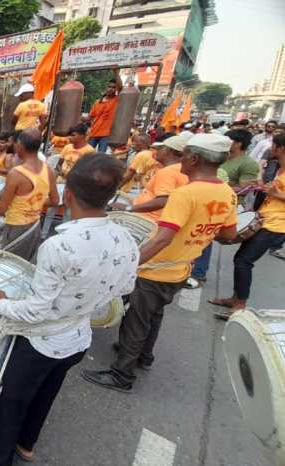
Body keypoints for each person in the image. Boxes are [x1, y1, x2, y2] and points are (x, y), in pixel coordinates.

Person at [0, 154, 138, 466]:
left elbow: (35, 312)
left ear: (69, 194)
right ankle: (26, 445)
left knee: (12, 402)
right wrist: (82, 300)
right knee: (46, 392)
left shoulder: (60, 246)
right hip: (78, 338)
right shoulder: (125, 236)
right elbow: (124, 289)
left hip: (42, 343)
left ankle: (0, 460)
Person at [83, 134, 237, 392]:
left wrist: (128, 265)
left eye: (185, 154)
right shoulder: (227, 192)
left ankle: (122, 375)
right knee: (154, 315)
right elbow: (229, 235)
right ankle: (144, 356)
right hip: (181, 269)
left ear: (195, 158)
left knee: (136, 319)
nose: (181, 160)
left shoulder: (185, 194)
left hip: (156, 270)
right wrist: (200, 232)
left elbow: (162, 239)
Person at [210, 133, 285, 317]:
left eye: (274, 145)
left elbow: (279, 194)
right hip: (264, 220)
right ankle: (236, 298)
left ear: (281, 148)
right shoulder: (280, 168)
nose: (270, 148)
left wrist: (277, 194)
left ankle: (240, 306)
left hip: (275, 225)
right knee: (241, 259)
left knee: (244, 261)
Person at [0, 129, 58, 260]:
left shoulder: (17, 173)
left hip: (16, 228)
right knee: (21, 264)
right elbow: (55, 201)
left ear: (20, 145)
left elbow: (2, 209)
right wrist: (32, 203)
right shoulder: (49, 170)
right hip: (35, 227)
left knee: (6, 262)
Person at [117, 134, 191, 221]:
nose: (156, 152)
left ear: (169, 151)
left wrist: (128, 208)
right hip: (149, 214)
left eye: (160, 149)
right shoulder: (181, 169)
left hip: (146, 219)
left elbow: (162, 201)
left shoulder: (168, 172)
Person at [88, 74, 123, 153]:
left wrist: (116, 71)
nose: (111, 89)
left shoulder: (116, 100)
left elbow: (121, 87)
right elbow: (90, 117)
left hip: (106, 135)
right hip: (93, 133)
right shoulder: (97, 102)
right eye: (109, 86)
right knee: (87, 154)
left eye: (114, 87)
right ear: (106, 88)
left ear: (116, 89)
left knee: (101, 155)